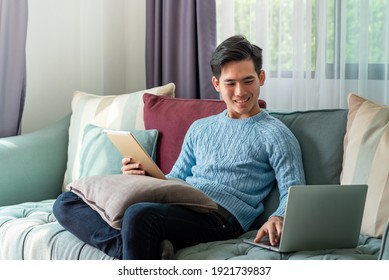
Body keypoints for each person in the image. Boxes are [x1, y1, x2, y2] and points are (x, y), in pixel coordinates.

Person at [53, 35, 305, 260]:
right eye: (230, 83)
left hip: (223, 217)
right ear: (217, 84)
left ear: (261, 78)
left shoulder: (276, 134)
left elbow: (294, 190)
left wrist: (278, 217)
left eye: (248, 80)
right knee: (67, 201)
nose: (240, 91)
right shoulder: (200, 128)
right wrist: (146, 175)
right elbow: (174, 179)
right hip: (181, 203)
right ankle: (130, 248)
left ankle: (135, 247)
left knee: (139, 216)